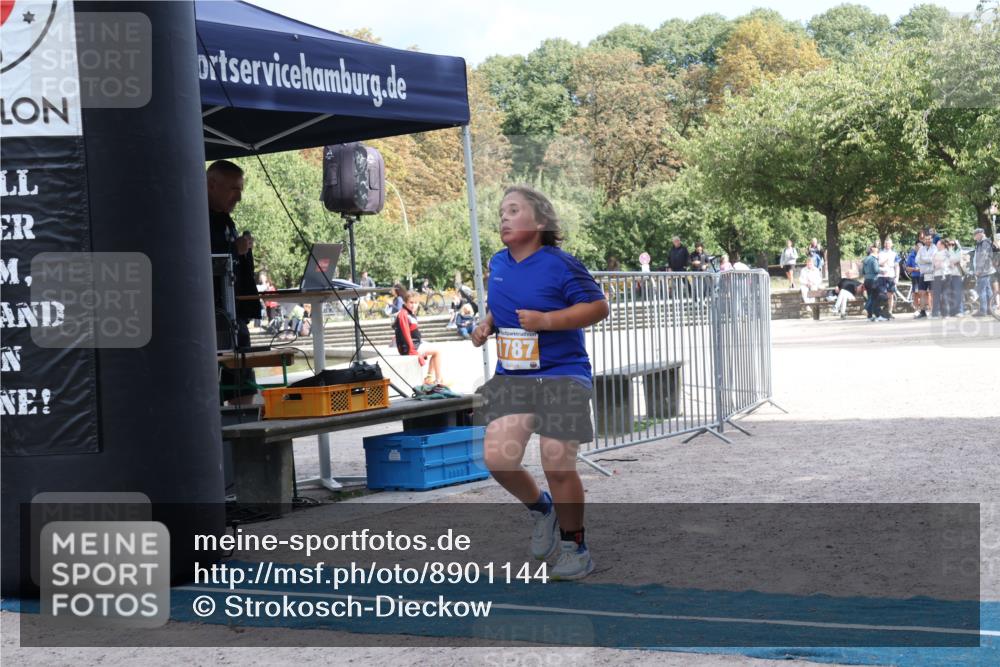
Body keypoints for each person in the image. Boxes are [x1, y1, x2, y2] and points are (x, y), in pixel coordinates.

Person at [470, 185, 609, 581]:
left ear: (541, 222)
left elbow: (598, 307)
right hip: (514, 377)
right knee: (498, 460)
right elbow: (502, 309)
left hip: (563, 374)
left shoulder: (561, 264)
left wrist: (547, 321)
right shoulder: (498, 262)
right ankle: (543, 510)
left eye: (514, 210)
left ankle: (574, 546)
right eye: (502, 212)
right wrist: (486, 325)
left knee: (556, 461)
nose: (504, 217)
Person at [208, 160, 261, 405]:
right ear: (211, 185)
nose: (238, 197)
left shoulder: (226, 220)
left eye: (241, 189)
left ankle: (246, 436)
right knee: (214, 389)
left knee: (244, 387)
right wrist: (233, 249)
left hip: (234, 318)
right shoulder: (194, 219)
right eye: (233, 189)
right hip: (210, 320)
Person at [394, 291, 443, 385]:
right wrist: (413, 352)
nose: (413, 305)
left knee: (435, 350)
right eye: (411, 302)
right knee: (437, 352)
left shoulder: (409, 313)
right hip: (410, 347)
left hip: (415, 343)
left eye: (416, 303)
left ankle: (430, 378)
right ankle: (438, 381)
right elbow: (405, 334)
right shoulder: (403, 314)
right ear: (405, 302)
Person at [971, 227, 998, 316]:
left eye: (975, 235)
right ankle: (990, 310)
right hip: (986, 270)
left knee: (981, 290)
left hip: (984, 270)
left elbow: (983, 257)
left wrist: (978, 270)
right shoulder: (981, 243)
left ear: (980, 234)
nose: (974, 237)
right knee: (987, 290)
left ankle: (983, 310)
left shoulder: (985, 242)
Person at [904, 239, 927, 318]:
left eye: (921, 246)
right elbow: (907, 268)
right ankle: (917, 310)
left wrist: (919, 269)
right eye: (918, 246)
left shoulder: (925, 254)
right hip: (915, 276)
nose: (919, 248)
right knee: (915, 293)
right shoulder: (911, 255)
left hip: (924, 276)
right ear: (915, 247)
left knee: (924, 293)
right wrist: (914, 269)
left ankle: (923, 309)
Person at [877, 238, 899, 319]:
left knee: (890, 294)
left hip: (891, 275)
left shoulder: (894, 254)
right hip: (881, 276)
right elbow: (877, 264)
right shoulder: (880, 253)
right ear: (884, 244)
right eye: (886, 243)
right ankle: (883, 312)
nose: (887, 245)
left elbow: (897, 266)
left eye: (889, 243)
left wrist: (897, 277)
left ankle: (889, 312)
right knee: (882, 295)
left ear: (892, 244)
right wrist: (883, 262)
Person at [861, 244, 884, 320]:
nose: (877, 250)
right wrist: (882, 271)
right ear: (873, 250)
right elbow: (876, 270)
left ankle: (869, 316)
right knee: (874, 297)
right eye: (876, 248)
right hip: (873, 280)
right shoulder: (874, 259)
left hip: (866, 280)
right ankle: (866, 309)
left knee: (870, 297)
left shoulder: (865, 259)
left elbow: (863, 271)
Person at [917, 233, 937, 317]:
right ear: (924, 240)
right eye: (926, 239)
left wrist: (924, 259)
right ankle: (922, 311)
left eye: (929, 239)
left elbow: (933, 259)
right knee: (922, 293)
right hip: (923, 273)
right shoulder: (921, 249)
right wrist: (927, 260)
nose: (928, 240)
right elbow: (917, 260)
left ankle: (934, 311)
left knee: (932, 293)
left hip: (932, 273)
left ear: (932, 239)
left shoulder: (935, 248)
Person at [931, 237, 952, 318]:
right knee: (944, 294)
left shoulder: (942, 253)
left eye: (938, 244)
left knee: (938, 294)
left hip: (941, 275)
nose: (937, 245)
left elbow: (936, 264)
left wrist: (937, 263)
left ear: (942, 245)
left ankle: (936, 313)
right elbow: (935, 263)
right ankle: (945, 313)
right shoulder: (945, 252)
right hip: (944, 274)